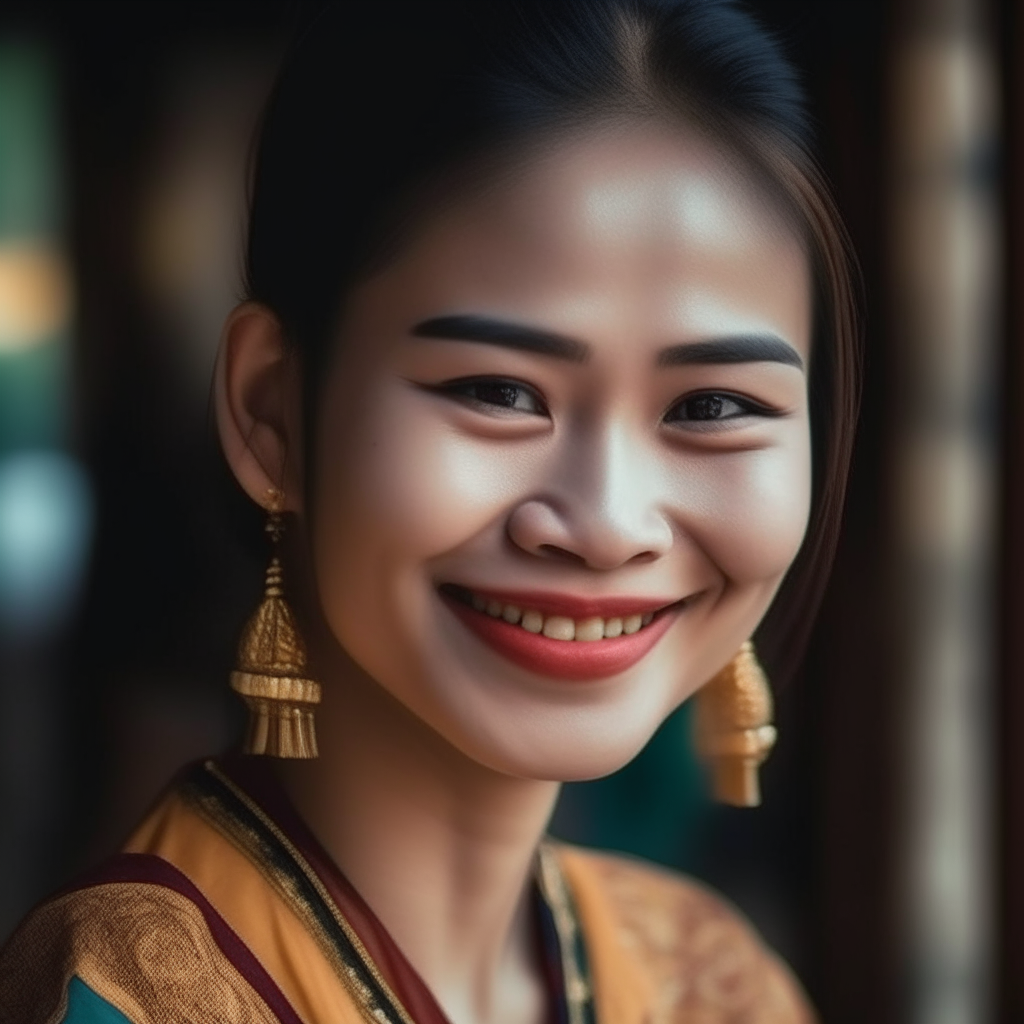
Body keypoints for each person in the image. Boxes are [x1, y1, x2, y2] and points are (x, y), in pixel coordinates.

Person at [0, 1, 859, 1022]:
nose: (607, 521)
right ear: (269, 410)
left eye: (711, 407)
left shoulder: (716, 983)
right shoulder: (131, 995)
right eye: (497, 391)